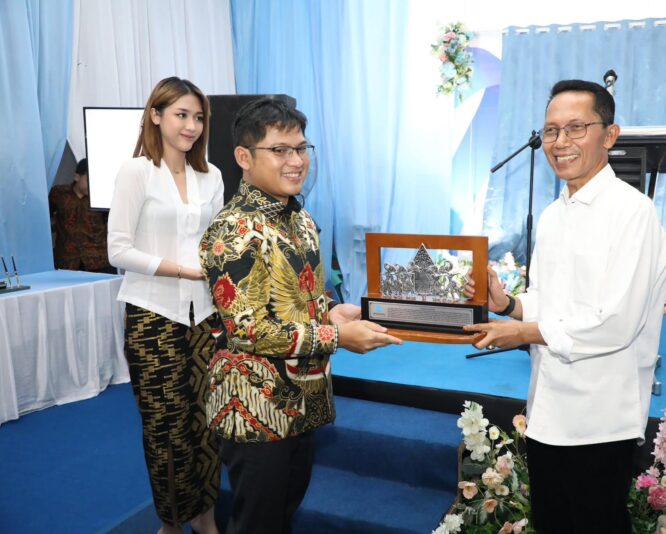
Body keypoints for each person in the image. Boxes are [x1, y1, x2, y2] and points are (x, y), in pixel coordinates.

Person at [464, 80, 666, 533]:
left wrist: (523, 333)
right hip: (548, 410)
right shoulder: (553, 214)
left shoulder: (633, 213)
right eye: (551, 130)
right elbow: (551, 301)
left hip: (600, 418)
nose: (560, 142)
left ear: (610, 135)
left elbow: (616, 323)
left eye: (576, 128)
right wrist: (508, 304)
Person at [199, 97, 402, 534]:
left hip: (301, 400)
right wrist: (338, 337)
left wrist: (331, 310)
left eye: (301, 148)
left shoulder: (300, 219)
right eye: (280, 150)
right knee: (257, 524)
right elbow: (249, 330)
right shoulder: (234, 230)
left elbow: (294, 300)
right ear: (244, 157)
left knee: (283, 513)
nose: (296, 161)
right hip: (255, 407)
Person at [107, 77, 224, 534]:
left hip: (206, 316)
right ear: (155, 115)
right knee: (165, 427)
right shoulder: (135, 172)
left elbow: (215, 244)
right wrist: (181, 270)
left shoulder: (211, 175)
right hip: (151, 317)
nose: (191, 126)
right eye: (181, 115)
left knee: (208, 422)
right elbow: (117, 250)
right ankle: (171, 522)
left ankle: (206, 518)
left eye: (198, 117)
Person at [48, 158, 114, 273]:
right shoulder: (59, 194)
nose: (93, 184)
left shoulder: (102, 197)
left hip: (98, 262)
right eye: (89, 179)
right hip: (67, 263)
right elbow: (44, 217)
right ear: (77, 177)